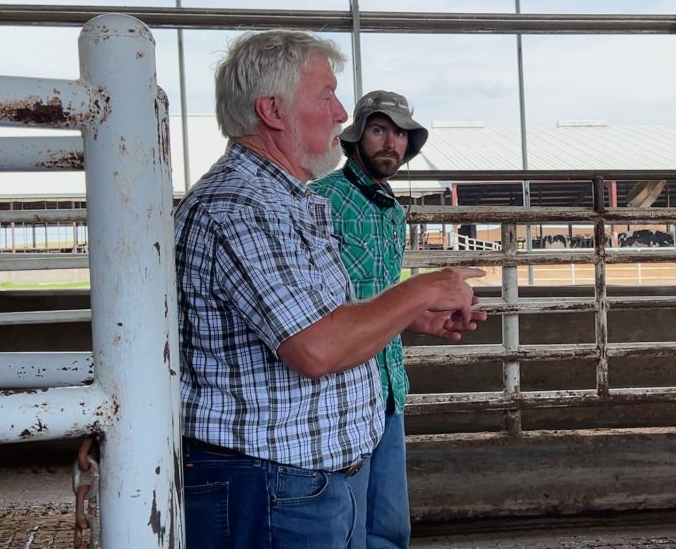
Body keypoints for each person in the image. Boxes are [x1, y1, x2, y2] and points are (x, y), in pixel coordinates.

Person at [174, 30, 485, 549]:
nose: (340, 113)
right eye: (326, 96)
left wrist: (407, 315)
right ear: (272, 109)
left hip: (295, 476)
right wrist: (421, 289)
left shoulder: (286, 201)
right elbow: (316, 346)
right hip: (269, 483)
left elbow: (318, 317)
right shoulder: (243, 208)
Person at [310, 90, 448, 549]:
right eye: (379, 130)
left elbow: (380, 298)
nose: (391, 143)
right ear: (355, 139)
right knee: (344, 524)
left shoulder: (393, 211)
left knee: (390, 527)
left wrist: (418, 318)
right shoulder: (320, 200)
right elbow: (316, 304)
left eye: (401, 134)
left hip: (388, 386)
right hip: (340, 393)